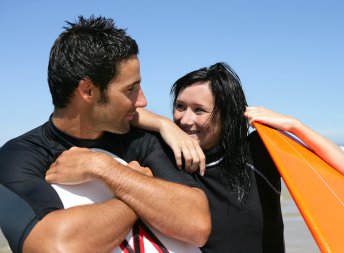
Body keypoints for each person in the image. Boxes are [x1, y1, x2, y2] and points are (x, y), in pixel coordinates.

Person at [0, 16, 211, 253]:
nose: (142, 100)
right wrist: (139, 189)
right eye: (130, 89)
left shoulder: (140, 138)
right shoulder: (21, 155)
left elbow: (197, 224)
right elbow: (55, 247)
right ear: (87, 90)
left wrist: (101, 168)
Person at [131, 62, 344, 252]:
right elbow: (118, 113)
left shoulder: (259, 152)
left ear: (226, 115)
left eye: (199, 110)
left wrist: (294, 125)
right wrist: (163, 124)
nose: (185, 119)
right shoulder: (162, 151)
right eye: (180, 107)